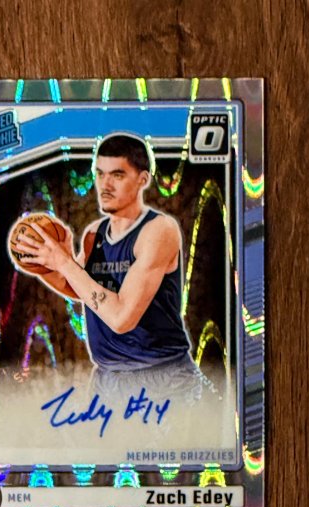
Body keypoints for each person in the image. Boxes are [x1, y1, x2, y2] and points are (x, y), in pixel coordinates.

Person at [16, 133, 217, 400]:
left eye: (117, 175)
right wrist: (47, 263)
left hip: (162, 376)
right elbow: (80, 290)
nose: (105, 185)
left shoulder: (159, 231)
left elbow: (122, 318)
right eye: (100, 174)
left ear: (142, 179)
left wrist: (64, 263)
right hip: (108, 377)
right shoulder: (94, 233)